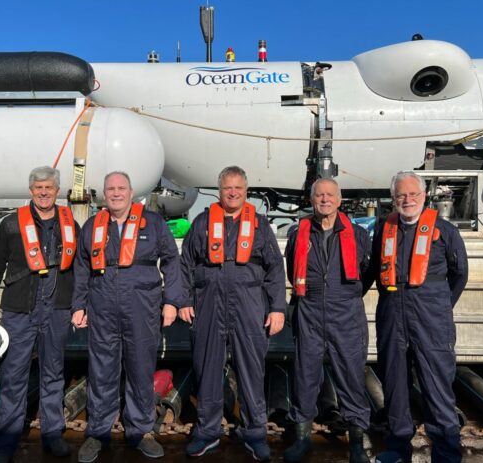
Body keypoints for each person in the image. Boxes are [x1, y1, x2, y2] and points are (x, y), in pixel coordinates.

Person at [71, 171, 183, 462]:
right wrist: (78, 306)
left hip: (142, 306)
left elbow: (172, 261)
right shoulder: (93, 225)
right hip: (102, 306)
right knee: (101, 371)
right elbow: (82, 268)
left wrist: (172, 301)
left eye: (121, 188)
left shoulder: (154, 223)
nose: (116, 193)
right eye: (111, 189)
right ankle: (98, 432)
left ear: (131, 192)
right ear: (104, 194)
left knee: (140, 369)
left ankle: (141, 431)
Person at [179, 165, 286, 461]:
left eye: (238, 188)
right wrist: (184, 300)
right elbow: (185, 265)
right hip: (209, 305)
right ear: (220, 190)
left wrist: (277, 308)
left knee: (252, 371)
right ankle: (207, 431)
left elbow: (275, 269)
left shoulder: (261, 225)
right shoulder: (202, 223)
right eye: (227, 188)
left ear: (246, 191)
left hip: (249, 305)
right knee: (207, 369)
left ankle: (254, 432)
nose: (233, 193)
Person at [0, 166, 79, 463]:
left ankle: (52, 435)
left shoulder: (70, 223)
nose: (44, 192)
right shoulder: (11, 224)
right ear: (31, 191)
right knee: (13, 375)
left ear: (57, 191)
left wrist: (81, 304)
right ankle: (6, 440)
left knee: (52, 375)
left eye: (49, 187)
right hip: (20, 311)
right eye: (38, 188)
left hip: (57, 310)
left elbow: (82, 265)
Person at [365, 171, 468, 463]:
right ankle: (397, 449)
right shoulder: (383, 229)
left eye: (412, 194)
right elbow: (373, 269)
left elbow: (460, 274)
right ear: (393, 198)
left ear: (424, 196)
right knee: (395, 385)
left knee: (437, 386)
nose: (407, 200)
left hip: (431, 318)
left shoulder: (445, 231)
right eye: (400, 195)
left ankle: (446, 454)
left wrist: (440, 307)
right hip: (391, 315)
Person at [283, 178, 371, 463]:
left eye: (330, 195)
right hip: (308, 311)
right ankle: (302, 438)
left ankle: (356, 442)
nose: (324, 199)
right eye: (319, 195)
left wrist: (344, 295)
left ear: (339, 199)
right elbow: (290, 270)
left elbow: (366, 273)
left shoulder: (357, 235)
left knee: (351, 377)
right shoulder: (299, 234)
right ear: (312, 200)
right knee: (305, 376)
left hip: (345, 313)